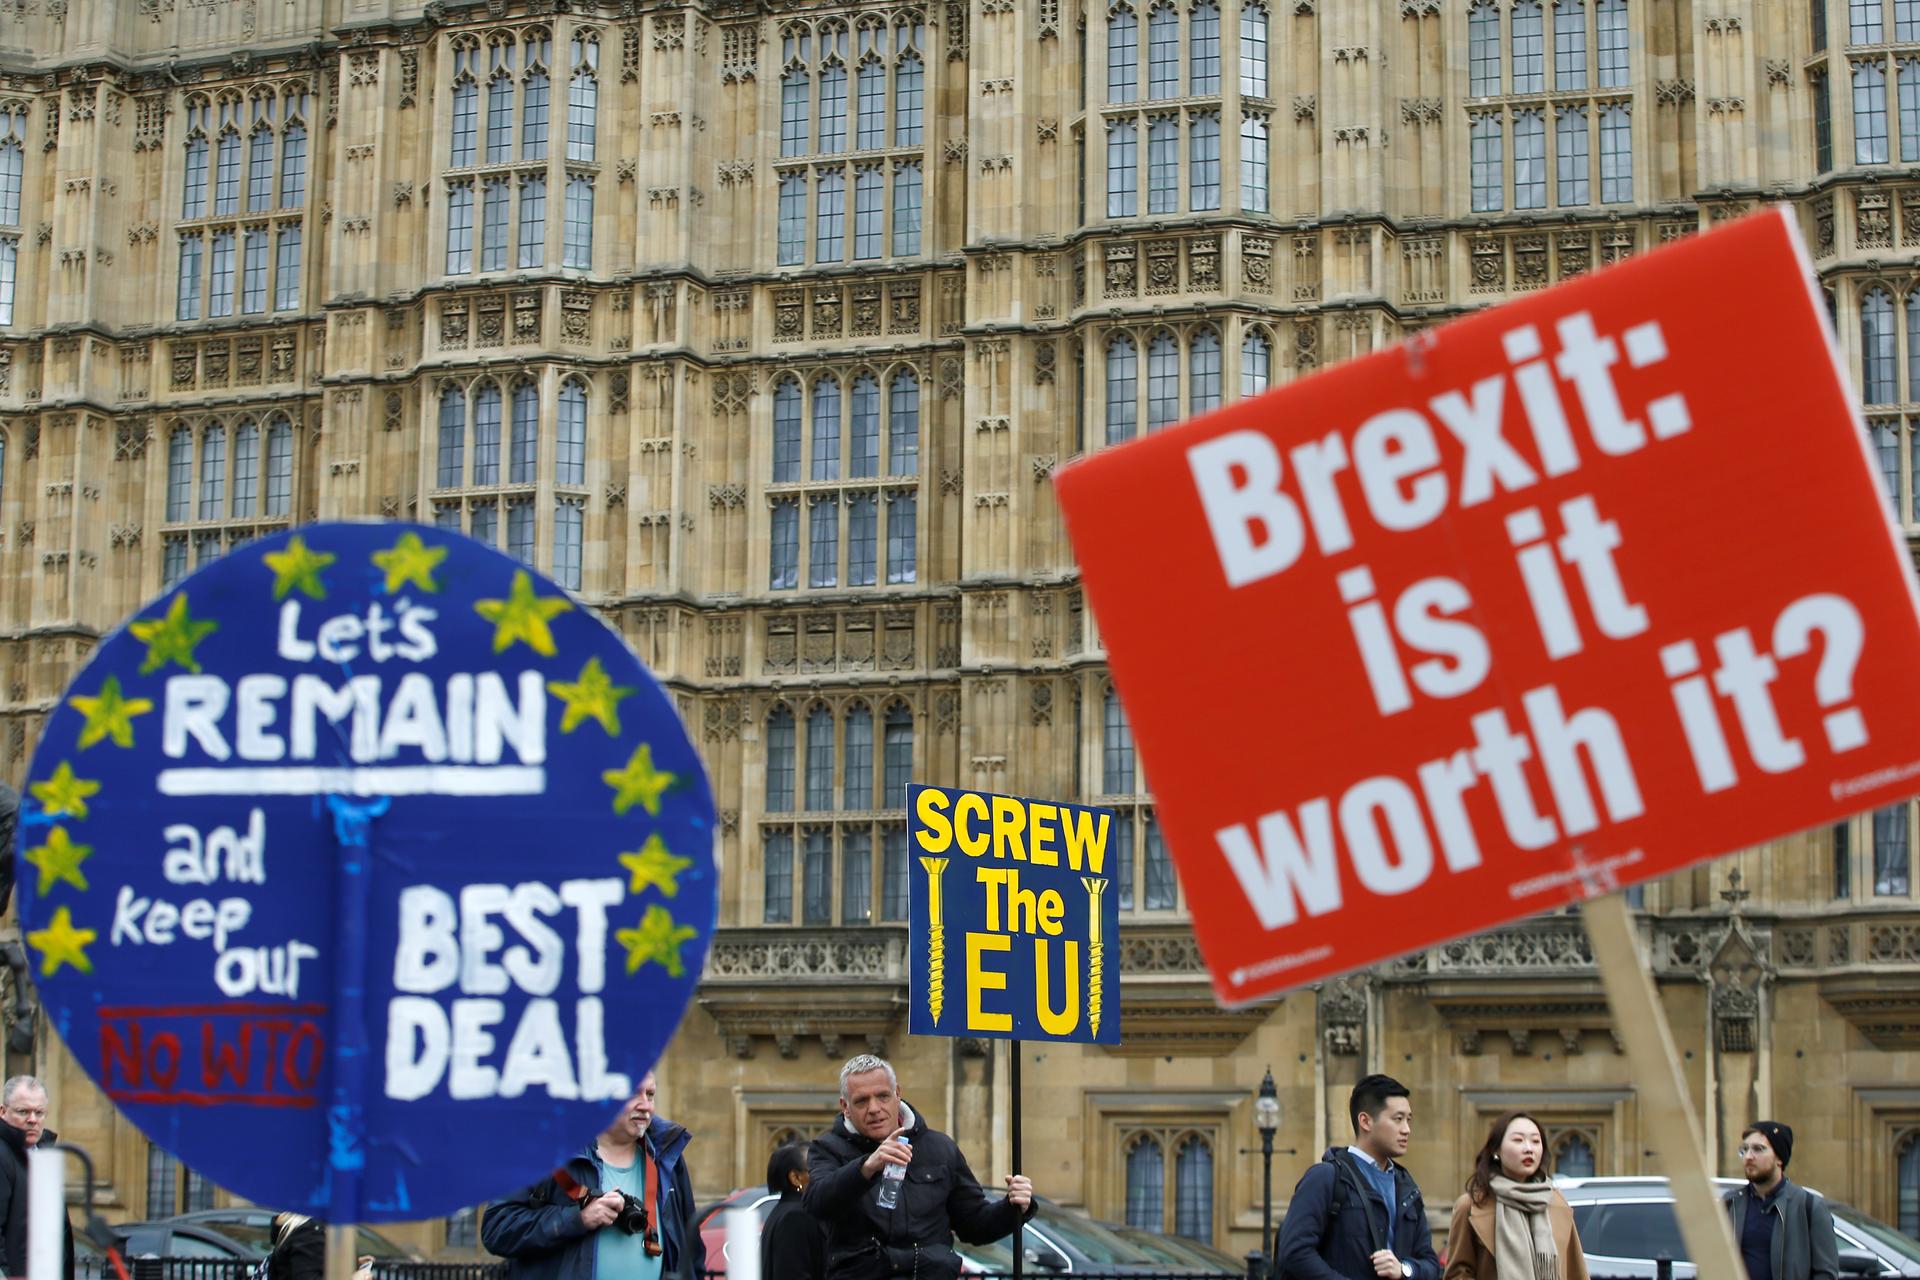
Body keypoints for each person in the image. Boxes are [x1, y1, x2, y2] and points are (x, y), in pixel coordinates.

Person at [804, 1053, 1034, 1280]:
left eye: (882, 1096)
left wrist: (1013, 1208)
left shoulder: (939, 1148)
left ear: (897, 1094)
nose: (874, 1108)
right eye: (861, 1101)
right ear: (845, 1106)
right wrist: (866, 1167)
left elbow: (973, 1225)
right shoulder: (827, 1148)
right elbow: (816, 1203)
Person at [482, 1072, 705, 1280]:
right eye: (632, 1094)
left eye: (650, 1094)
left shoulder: (667, 1156)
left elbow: (692, 1252)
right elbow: (497, 1228)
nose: (645, 1106)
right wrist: (579, 1219)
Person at [1275, 1074, 1442, 1280]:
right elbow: (1294, 1253)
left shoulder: (1407, 1187)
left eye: (1409, 1120)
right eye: (1398, 1119)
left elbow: (1432, 1265)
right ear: (1365, 1121)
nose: (1406, 1129)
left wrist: (1404, 1269)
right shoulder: (1325, 1178)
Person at [1442, 1112, 1590, 1280]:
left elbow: (1576, 1271)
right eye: (1518, 1140)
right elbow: (1457, 1274)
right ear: (1496, 1150)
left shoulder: (1555, 1202)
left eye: (1535, 1141)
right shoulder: (1471, 1205)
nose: (1529, 1148)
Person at [1723, 1122, 1838, 1280]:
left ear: (1779, 1158)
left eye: (1758, 1149)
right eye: (1744, 1149)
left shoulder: (1809, 1207)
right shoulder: (1730, 1204)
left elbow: (1826, 1273)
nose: (1748, 1156)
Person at [0, 1075, 73, 1280]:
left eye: (39, 1112)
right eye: (23, 1111)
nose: (32, 1119)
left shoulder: (42, 1155)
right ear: (3, 1112)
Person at [761, 1141, 826, 1280]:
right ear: (796, 1178)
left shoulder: (783, 1211)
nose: (823, 1174)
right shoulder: (795, 1216)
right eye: (815, 1169)